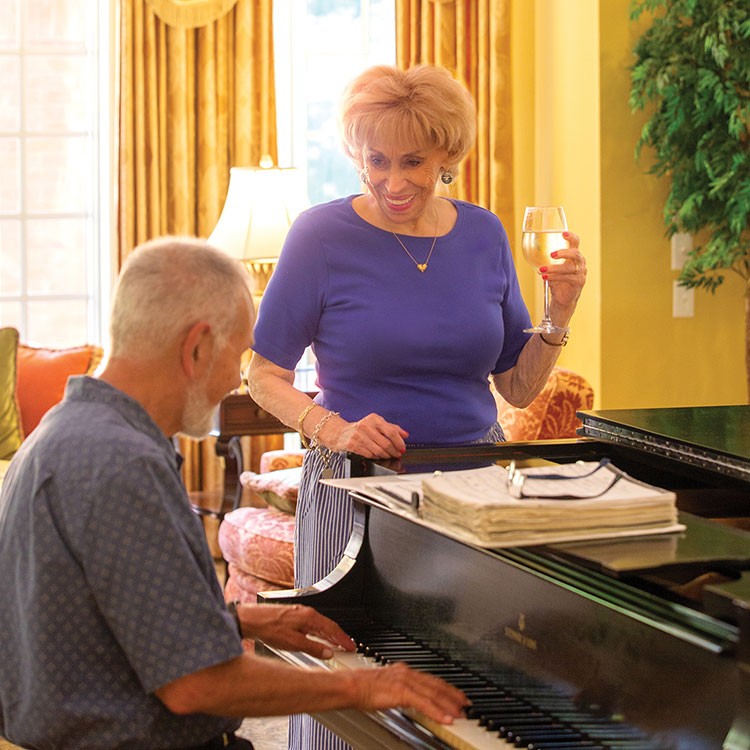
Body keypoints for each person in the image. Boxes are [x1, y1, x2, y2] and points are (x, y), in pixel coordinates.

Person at [0, 236, 468, 750]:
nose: (237, 380)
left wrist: (236, 619)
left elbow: (95, 627)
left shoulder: (64, 432)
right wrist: (365, 685)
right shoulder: (121, 464)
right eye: (239, 354)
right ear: (197, 347)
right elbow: (198, 682)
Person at [246, 64, 587, 750]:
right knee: (345, 679)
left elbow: (516, 388)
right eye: (376, 161)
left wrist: (559, 314)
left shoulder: (485, 235)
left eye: (414, 162)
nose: (394, 181)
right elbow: (263, 375)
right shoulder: (319, 236)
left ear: (448, 157)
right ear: (355, 153)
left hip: (471, 493)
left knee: (466, 687)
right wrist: (335, 427)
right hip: (353, 490)